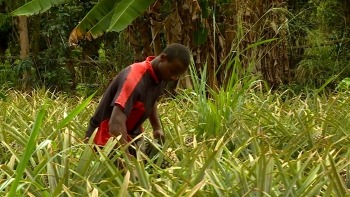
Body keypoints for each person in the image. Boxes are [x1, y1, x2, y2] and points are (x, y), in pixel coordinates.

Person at [84, 43, 191, 167]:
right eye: (173, 71)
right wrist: (128, 162)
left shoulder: (161, 76)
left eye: (177, 75)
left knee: (170, 166)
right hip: (106, 140)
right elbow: (115, 125)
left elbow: (151, 99)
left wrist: (156, 127)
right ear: (163, 58)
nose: (174, 77)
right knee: (133, 180)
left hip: (132, 136)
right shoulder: (134, 77)